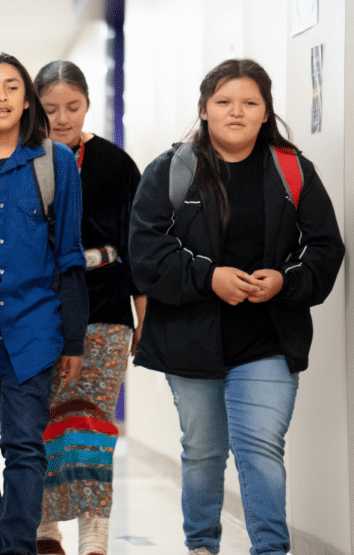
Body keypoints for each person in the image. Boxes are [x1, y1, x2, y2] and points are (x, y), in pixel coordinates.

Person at [128, 59, 344, 555]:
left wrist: (285, 281)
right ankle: (202, 544)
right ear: (204, 109)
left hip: (267, 335)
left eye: (250, 103)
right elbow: (145, 252)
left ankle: (270, 548)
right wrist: (211, 278)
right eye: (223, 102)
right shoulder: (173, 169)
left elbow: (325, 247)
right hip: (191, 338)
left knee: (261, 447)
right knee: (204, 452)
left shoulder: (292, 170)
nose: (236, 112)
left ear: (265, 113)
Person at [0, 51, 88, 555]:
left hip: (35, 326)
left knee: (25, 447)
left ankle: (16, 548)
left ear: (28, 100)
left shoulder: (57, 162)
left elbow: (69, 256)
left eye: (11, 87)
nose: (1, 96)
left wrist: (73, 337)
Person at [31, 60, 145, 555]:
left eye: (72, 107)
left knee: (94, 420)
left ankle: (94, 532)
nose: (61, 117)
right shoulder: (19, 160)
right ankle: (44, 526)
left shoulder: (115, 165)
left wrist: (144, 315)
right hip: (38, 308)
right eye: (50, 108)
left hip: (105, 303)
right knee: (40, 420)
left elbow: (137, 245)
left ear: (88, 106)